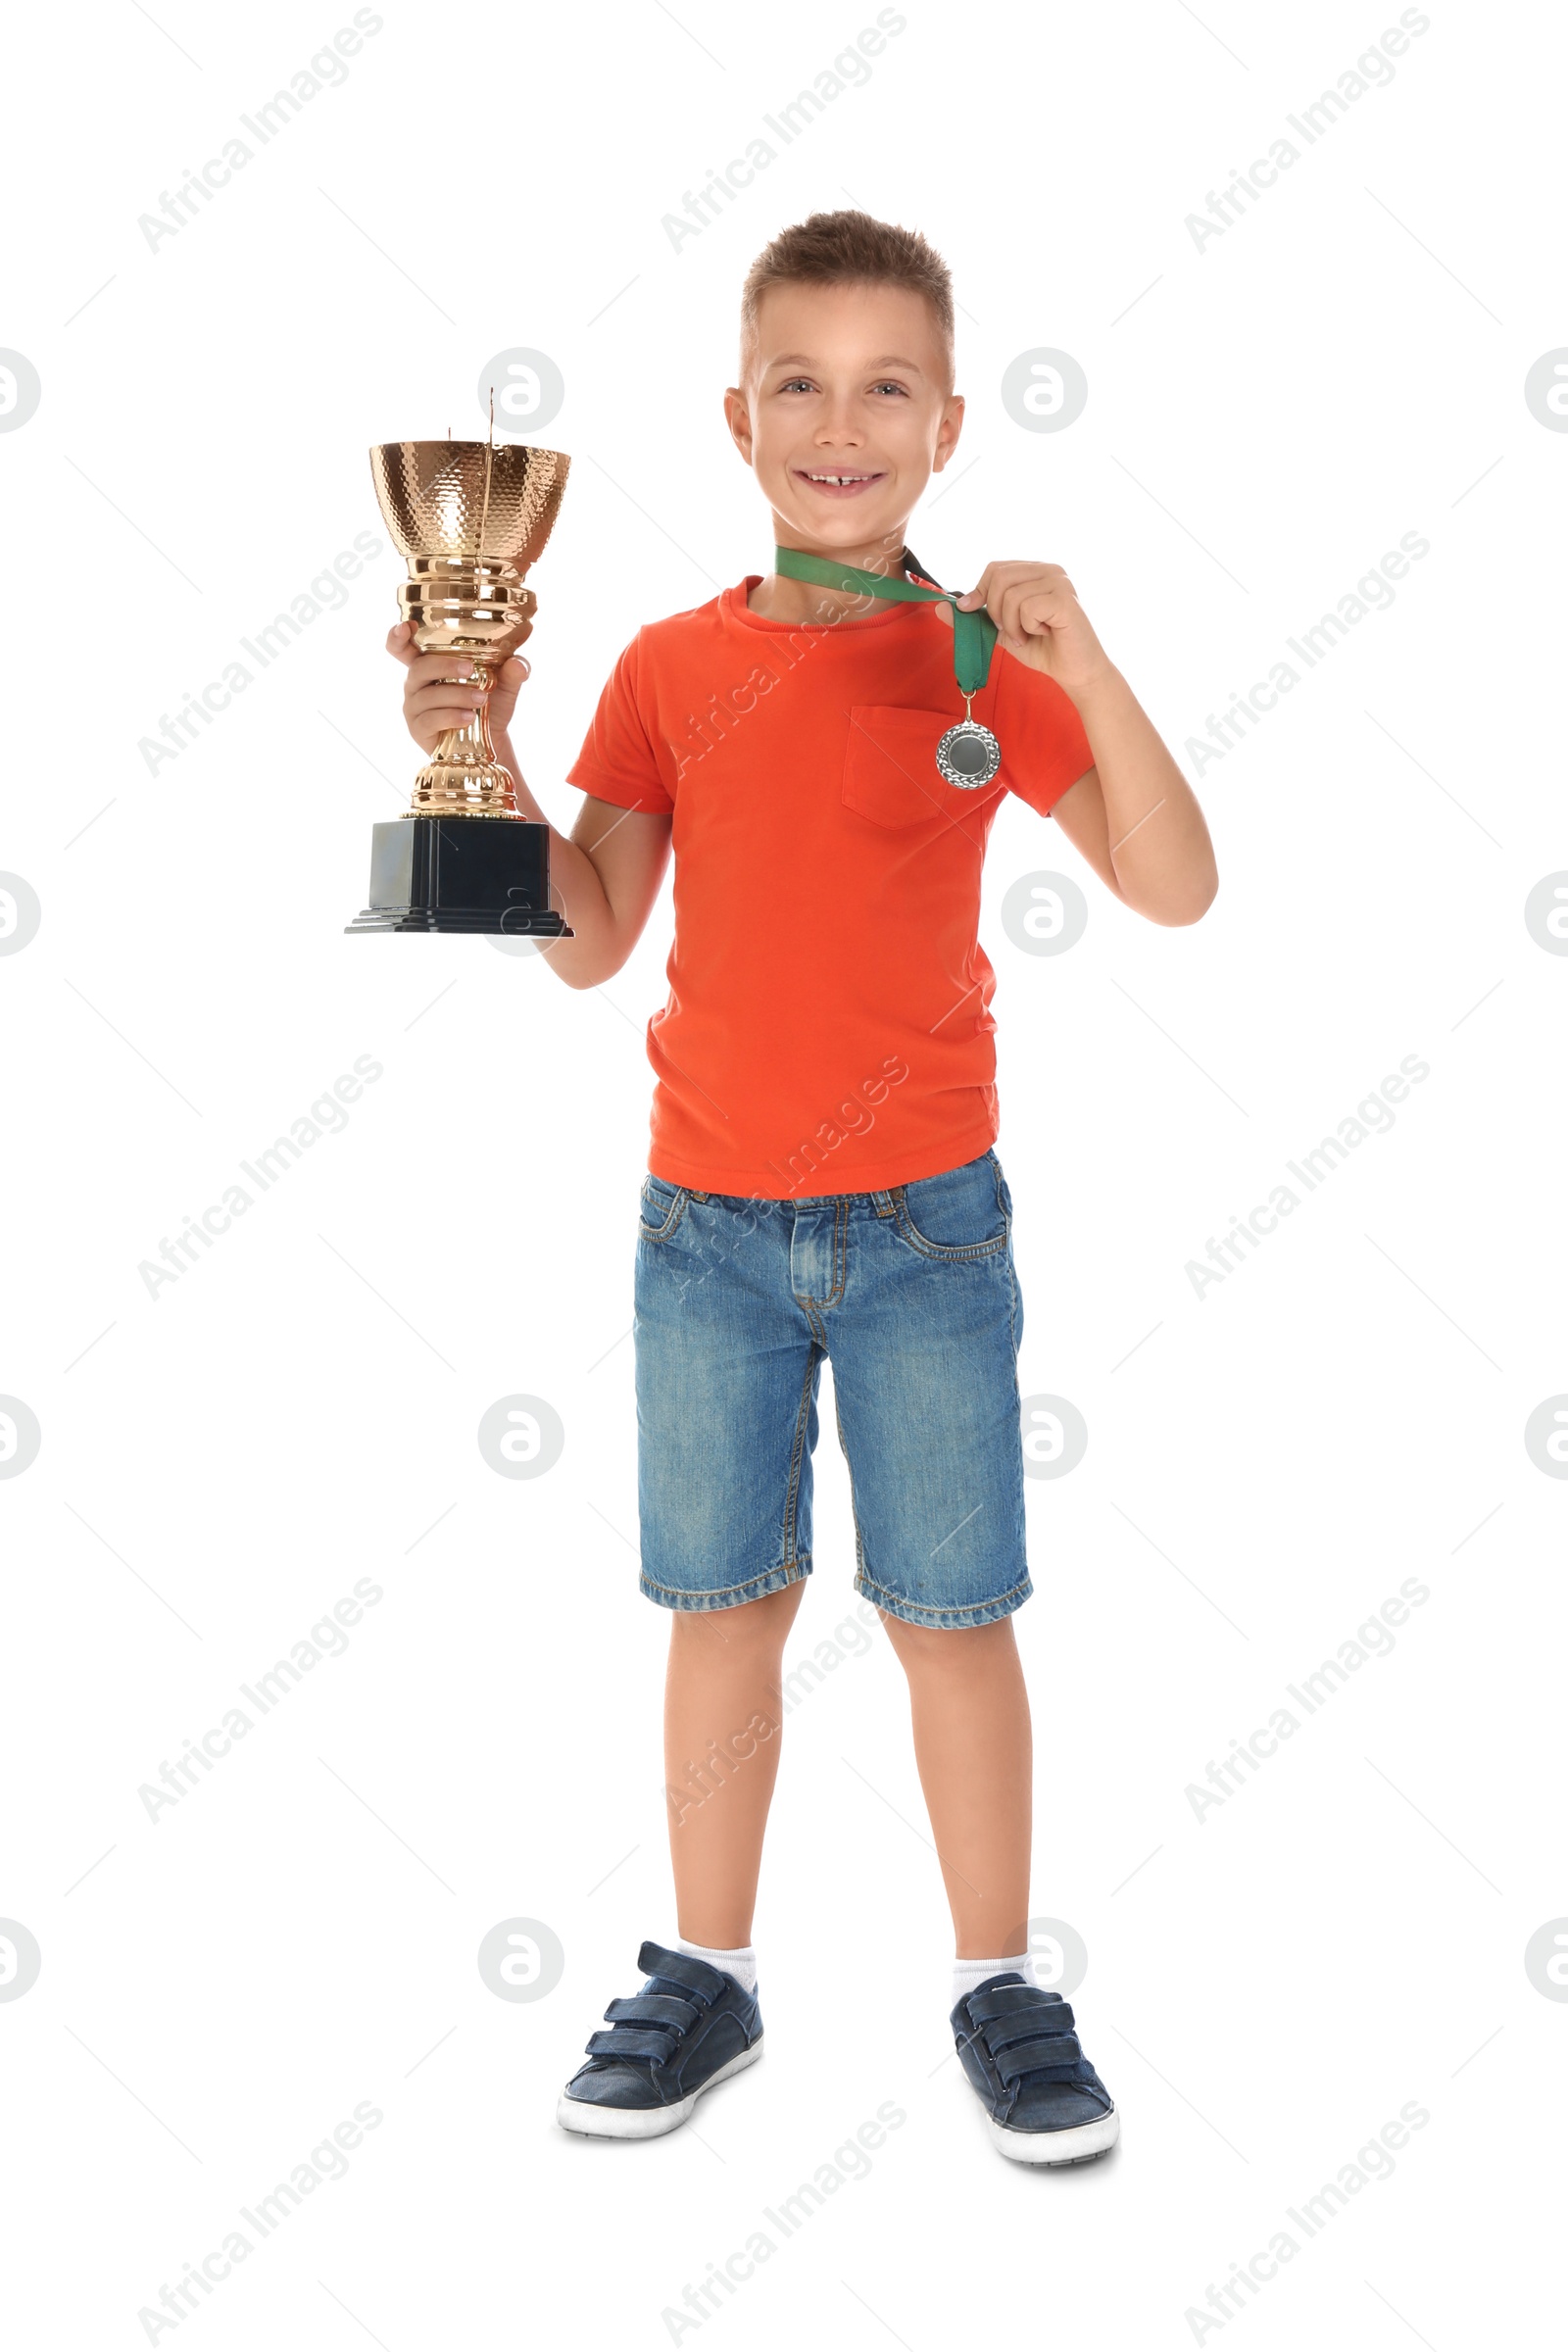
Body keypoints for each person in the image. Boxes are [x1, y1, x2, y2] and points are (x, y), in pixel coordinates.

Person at [389, 209, 1217, 2164]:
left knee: (948, 1614)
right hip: (706, 1237)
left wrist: (1083, 662)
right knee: (720, 1606)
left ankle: (997, 1985)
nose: (837, 421)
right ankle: (707, 1972)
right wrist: (480, 748)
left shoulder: (975, 666)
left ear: (943, 428)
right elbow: (585, 937)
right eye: (798, 383)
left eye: (883, 387)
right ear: (735, 418)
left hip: (930, 1234)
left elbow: (1172, 882)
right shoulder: (671, 669)